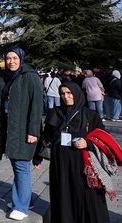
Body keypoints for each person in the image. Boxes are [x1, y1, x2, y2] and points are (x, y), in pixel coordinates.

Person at [33, 82, 108, 223]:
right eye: (63, 93)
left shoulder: (90, 115)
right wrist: (37, 157)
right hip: (60, 162)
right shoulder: (55, 113)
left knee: (84, 194)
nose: (66, 96)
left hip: (82, 162)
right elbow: (46, 136)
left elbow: (103, 137)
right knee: (63, 193)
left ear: (77, 93)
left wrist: (88, 143)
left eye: (69, 93)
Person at [0, 47, 43, 220]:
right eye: (8, 58)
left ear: (21, 59)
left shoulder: (30, 76)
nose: (11, 61)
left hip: (24, 129)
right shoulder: (3, 77)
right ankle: (24, 199)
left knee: (22, 166)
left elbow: (37, 106)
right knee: (17, 166)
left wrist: (33, 131)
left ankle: (21, 207)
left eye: (14, 58)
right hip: (9, 128)